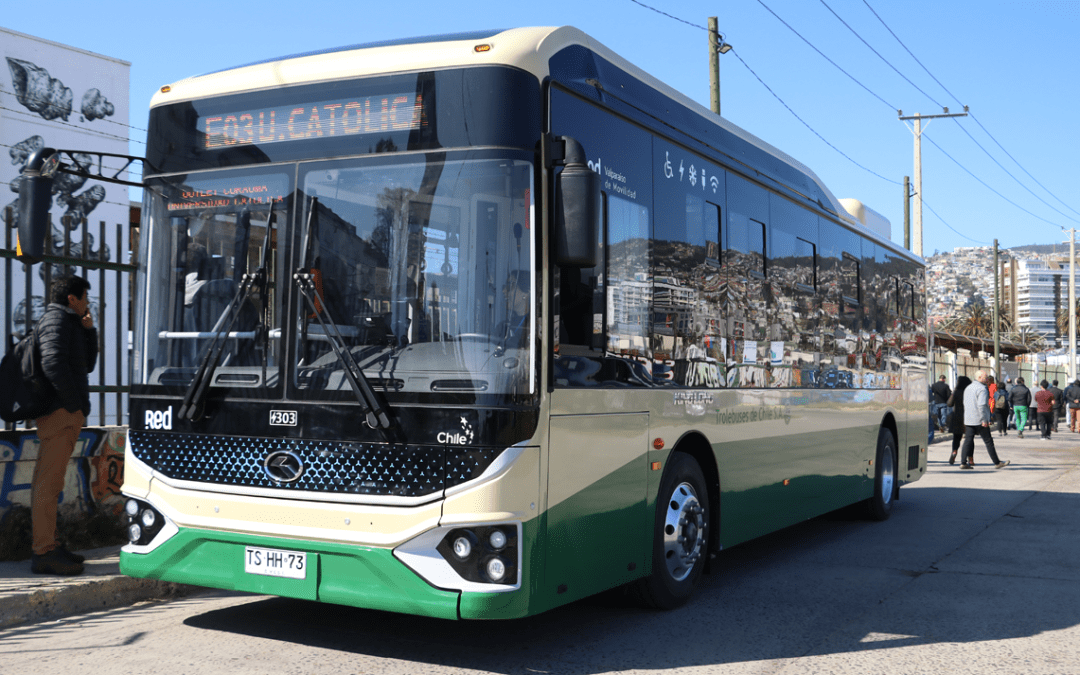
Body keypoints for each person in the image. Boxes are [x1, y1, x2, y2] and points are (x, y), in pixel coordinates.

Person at [30, 275, 98, 575]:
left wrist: (89, 330)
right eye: (84, 297)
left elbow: (87, 364)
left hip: (65, 413)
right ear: (72, 298)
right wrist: (74, 405)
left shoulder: (68, 322)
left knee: (51, 483)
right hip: (59, 414)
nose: (87, 302)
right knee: (48, 484)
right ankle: (43, 552)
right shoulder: (55, 320)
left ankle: (51, 546)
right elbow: (52, 363)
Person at [960, 369, 1010, 470]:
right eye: (985, 377)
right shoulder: (982, 389)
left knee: (968, 441)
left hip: (969, 418)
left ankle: (963, 462)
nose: (987, 379)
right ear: (979, 378)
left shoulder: (968, 388)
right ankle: (997, 462)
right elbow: (982, 405)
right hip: (979, 419)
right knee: (988, 441)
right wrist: (984, 419)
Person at [946, 376, 971, 466]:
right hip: (968, 417)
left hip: (956, 417)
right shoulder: (969, 392)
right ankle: (970, 458)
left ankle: (954, 452)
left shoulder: (956, 392)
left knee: (956, 438)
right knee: (969, 438)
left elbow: (949, 404)